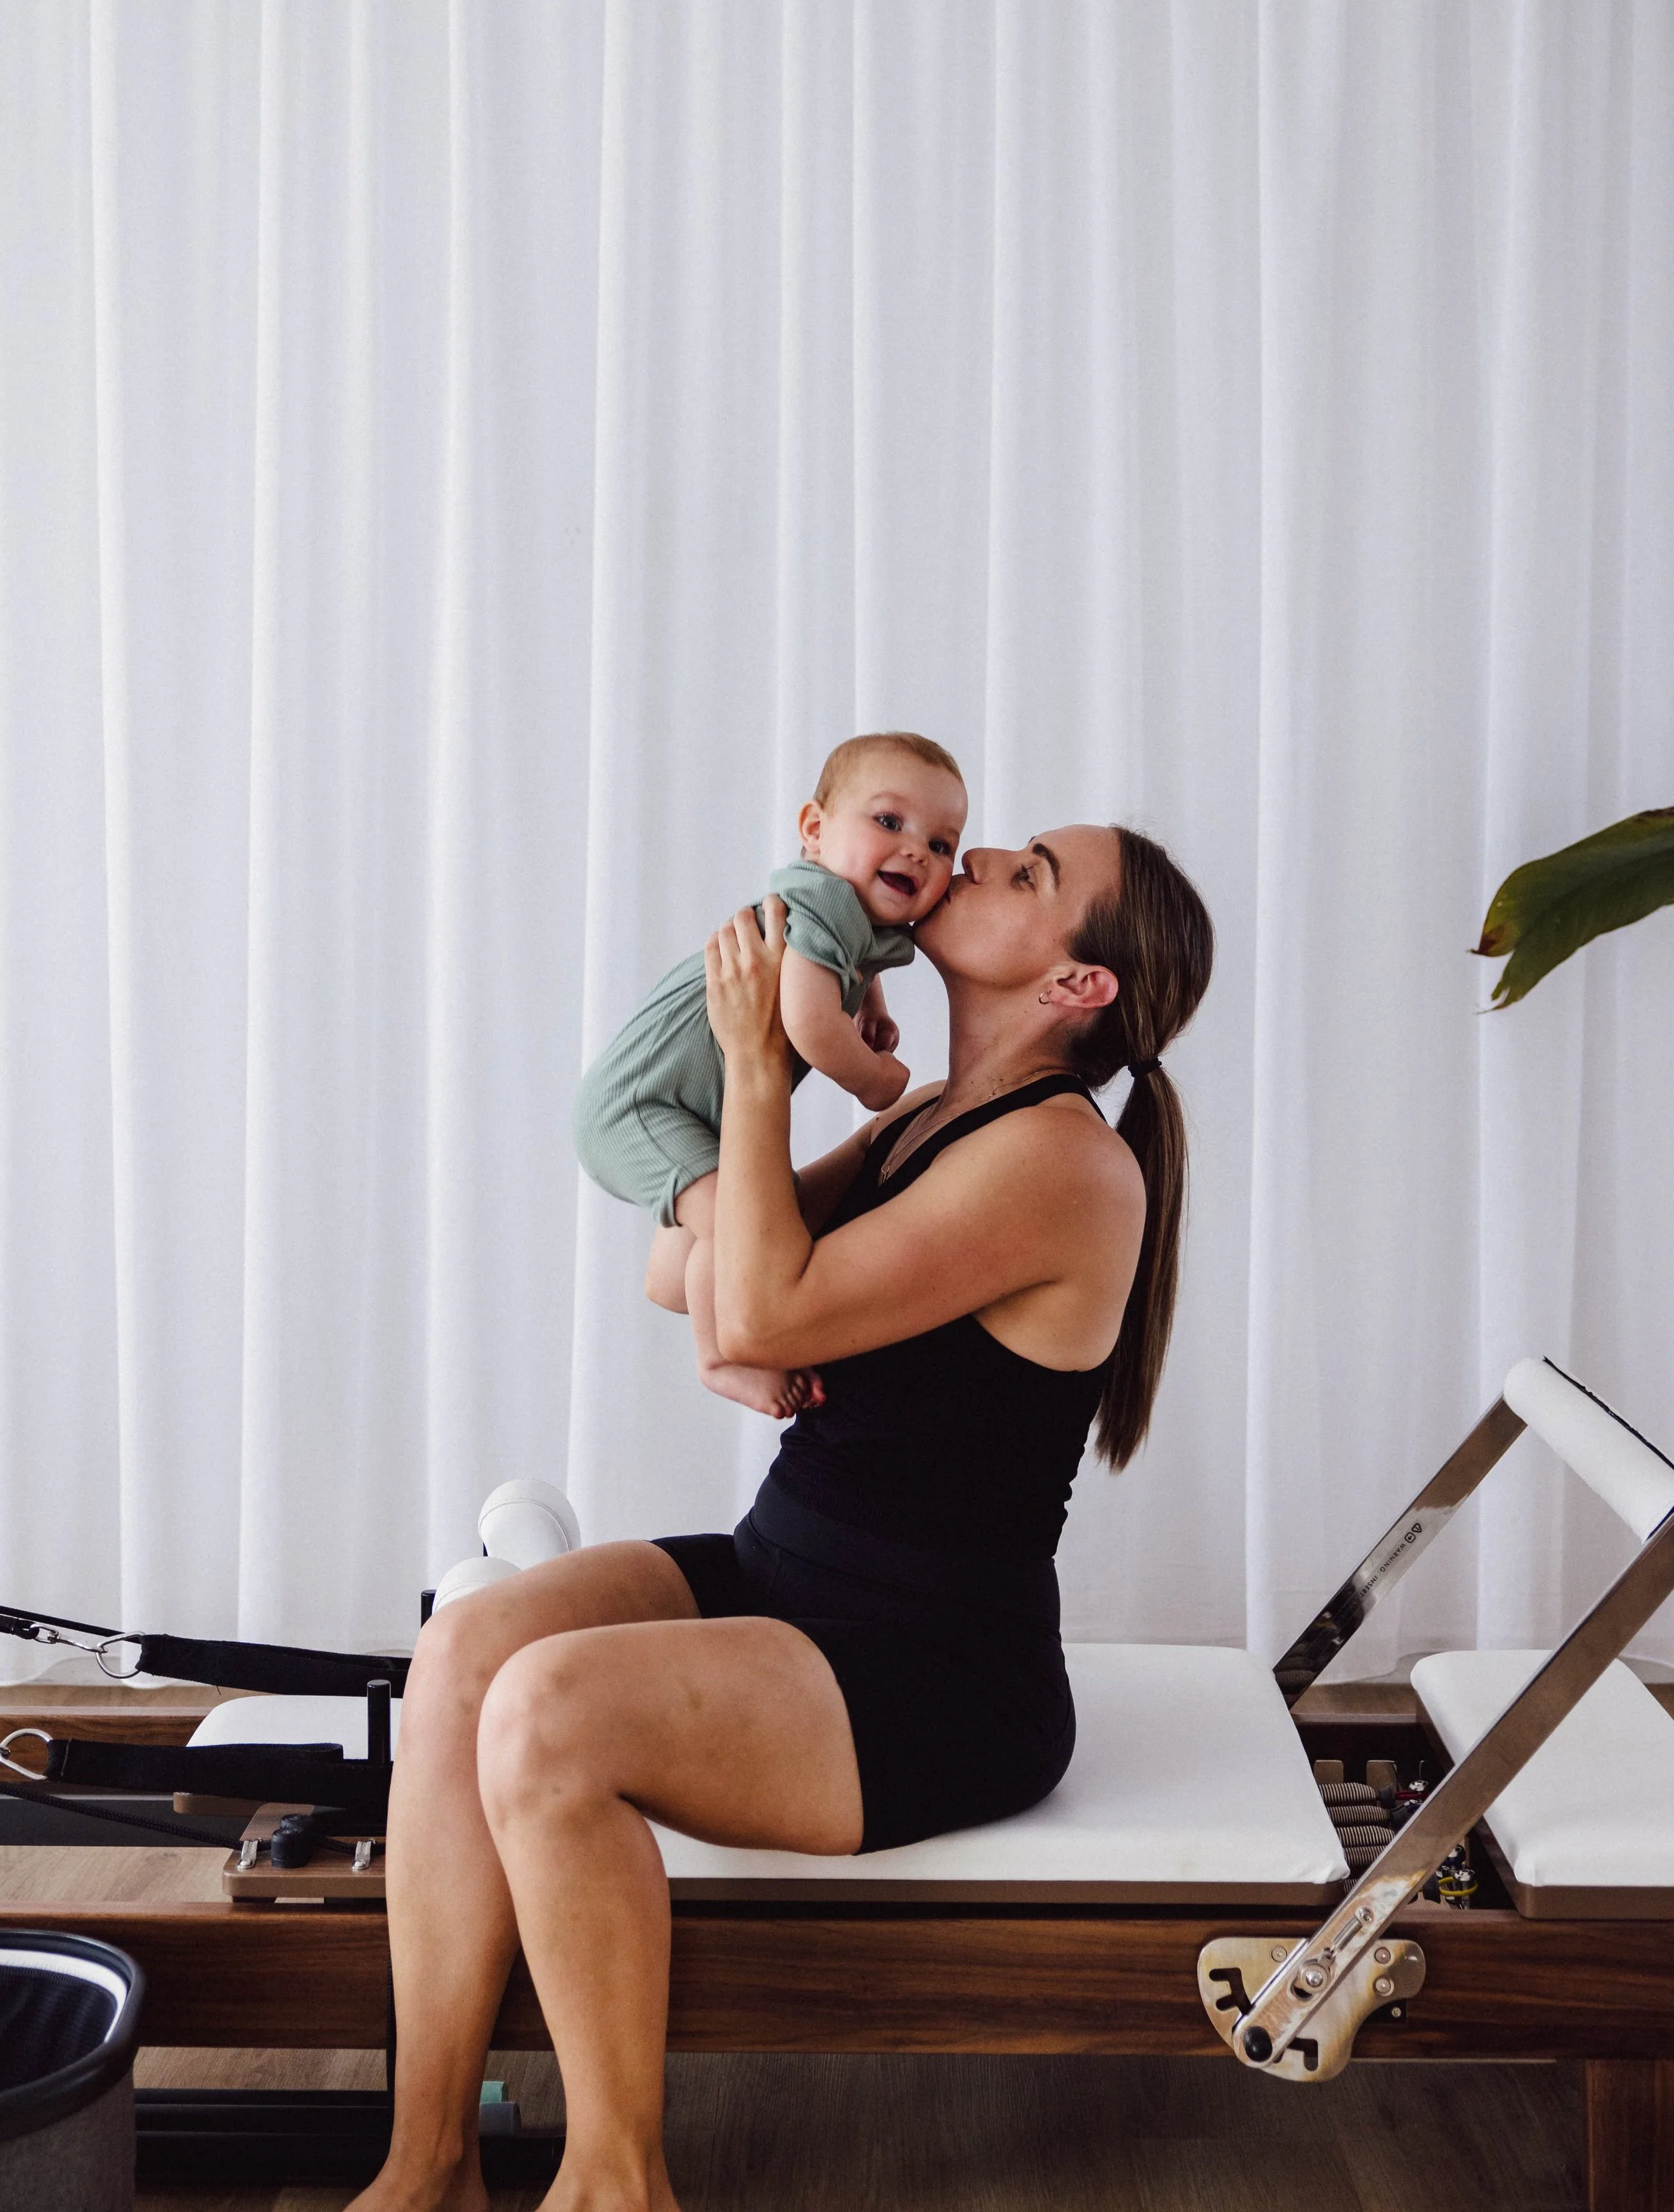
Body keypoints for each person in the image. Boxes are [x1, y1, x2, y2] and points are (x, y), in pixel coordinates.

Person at [355, 824, 1213, 2212]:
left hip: (932, 1667)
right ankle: (427, 2162)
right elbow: (676, 1268)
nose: (978, 852)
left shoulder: (1060, 1163)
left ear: (1079, 987)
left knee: (549, 1710)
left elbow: (753, 1304)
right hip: (788, 1575)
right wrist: (747, 1123)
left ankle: (615, 2182)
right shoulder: (924, 1115)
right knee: (465, 1653)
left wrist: (765, 1069)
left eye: (1031, 873)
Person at [573, 731, 967, 1415]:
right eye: (889, 821)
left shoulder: (852, 923)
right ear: (814, 829)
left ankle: (692, 1275)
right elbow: (811, 1022)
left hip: (689, 1109)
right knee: (740, 1230)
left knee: (706, 1249)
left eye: (942, 844)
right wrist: (872, 1079)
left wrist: (868, 1006)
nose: (917, 850)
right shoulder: (820, 905)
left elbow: (841, 976)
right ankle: (720, 1356)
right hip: (642, 1106)